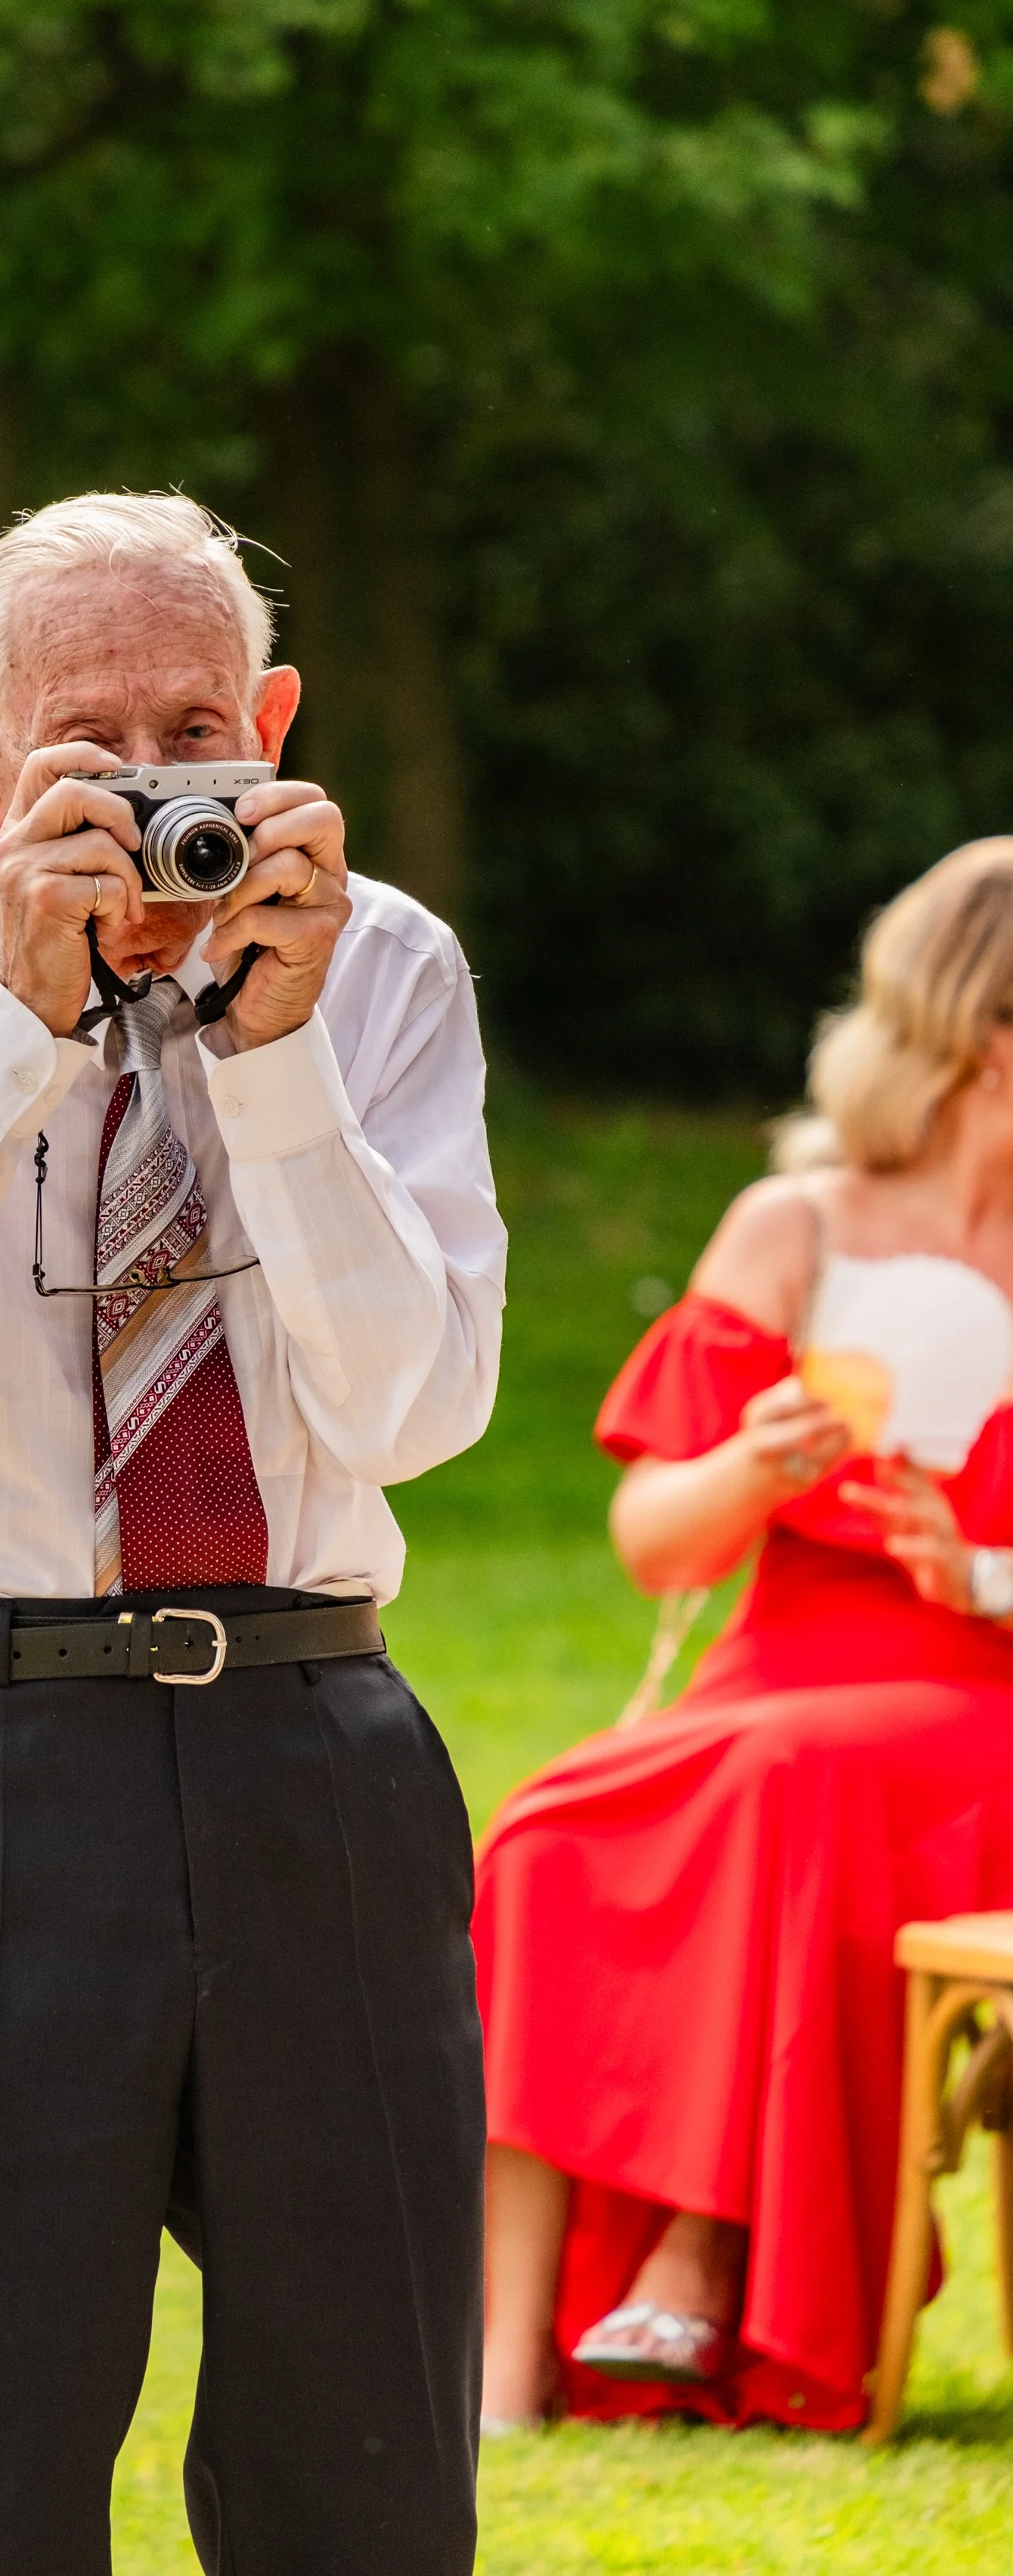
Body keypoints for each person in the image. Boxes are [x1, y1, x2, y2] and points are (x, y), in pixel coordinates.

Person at [0, 491, 505, 2576]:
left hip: (304, 1740)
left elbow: (417, 1406)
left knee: (368, 2459)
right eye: (91, 737)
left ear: (272, 720)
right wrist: (10, 1027)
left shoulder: (387, 965)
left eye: (195, 725)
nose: (158, 782)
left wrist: (272, 1065)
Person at [474, 837, 1013, 2435]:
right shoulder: (797, 1228)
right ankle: (504, 2366)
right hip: (777, 1672)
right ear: (987, 1033)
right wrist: (751, 1461)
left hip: (978, 1696)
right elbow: (655, 1543)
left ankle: (701, 2272)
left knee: (787, 1788)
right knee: (539, 1843)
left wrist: (972, 1568)